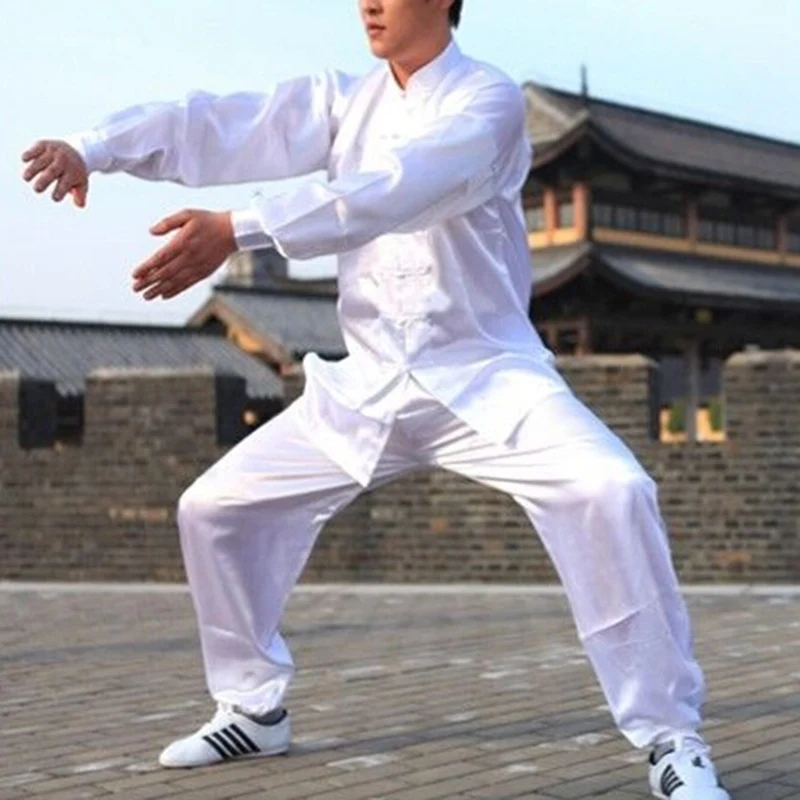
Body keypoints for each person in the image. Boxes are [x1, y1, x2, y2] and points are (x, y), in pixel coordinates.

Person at [22, 1, 731, 797]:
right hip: (368, 385)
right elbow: (221, 123)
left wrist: (239, 228)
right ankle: (252, 708)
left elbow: (399, 187)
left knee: (613, 490)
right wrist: (93, 147)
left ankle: (671, 737)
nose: (369, 3)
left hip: (485, 377)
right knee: (215, 509)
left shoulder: (488, 102)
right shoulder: (343, 101)